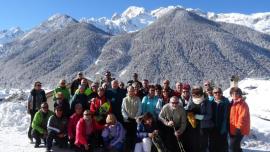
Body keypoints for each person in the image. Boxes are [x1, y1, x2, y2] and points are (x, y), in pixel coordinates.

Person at [185, 86, 214, 152]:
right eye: (194, 94)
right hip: (193, 126)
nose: (195, 96)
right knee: (194, 144)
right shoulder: (191, 100)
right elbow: (187, 108)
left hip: (203, 127)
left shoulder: (207, 102)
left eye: (197, 94)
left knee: (203, 145)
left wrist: (197, 117)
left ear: (201, 94)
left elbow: (209, 115)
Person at [209, 87, 230, 152]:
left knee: (223, 147)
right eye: (215, 92)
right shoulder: (210, 102)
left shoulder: (226, 102)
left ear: (222, 93)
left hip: (223, 128)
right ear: (213, 94)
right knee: (212, 146)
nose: (217, 94)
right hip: (212, 128)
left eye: (219, 92)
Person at [229, 87, 250, 152]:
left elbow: (242, 117)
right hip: (232, 128)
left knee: (232, 146)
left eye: (236, 93)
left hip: (239, 129)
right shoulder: (232, 103)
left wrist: (238, 128)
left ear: (239, 94)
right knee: (236, 147)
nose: (234, 95)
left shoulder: (242, 104)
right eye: (233, 93)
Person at [121, 86, 142, 151]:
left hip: (135, 120)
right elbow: (123, 110)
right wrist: (126, 117)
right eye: (130, 91)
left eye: (132, 91)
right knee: (127, 136)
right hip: (127, 121)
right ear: (128, 91)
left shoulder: (138, 99)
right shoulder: (124, 99)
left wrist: (136, 117)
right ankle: (127, 149)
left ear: (134, 91)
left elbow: (140, 109)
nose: (131, 92)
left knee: (134, 136)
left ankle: (133, 149)